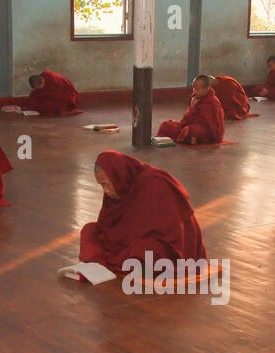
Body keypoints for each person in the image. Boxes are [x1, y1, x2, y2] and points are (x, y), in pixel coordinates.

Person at [79, 150, 207, 272]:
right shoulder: (116, 189)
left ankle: (109, 260)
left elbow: (172, 235)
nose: (105, 191)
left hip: (169, 246)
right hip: (126, 243)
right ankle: (114, 260)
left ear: (118, 176)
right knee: (89, 230)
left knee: (142, 252)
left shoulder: (156, 183)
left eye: (106, 184)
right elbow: (105, 224)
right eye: (102, 185)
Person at [156, 74, 225, 144]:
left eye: (197, 89)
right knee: (166, 125)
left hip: (207, 133)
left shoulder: (212, 102)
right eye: (193, 88)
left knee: (189, 130)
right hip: (191, 127)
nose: (194, 91)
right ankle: (190, 139)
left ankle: (191, 139)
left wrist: (195, 129)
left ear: (207, 89)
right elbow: (184, 121)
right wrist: (192, 108)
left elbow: (214, 130)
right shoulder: (194, 98)